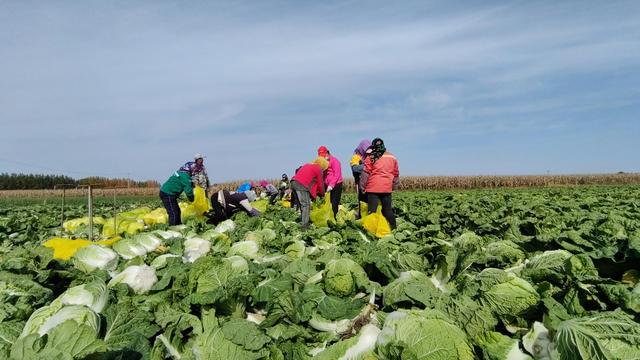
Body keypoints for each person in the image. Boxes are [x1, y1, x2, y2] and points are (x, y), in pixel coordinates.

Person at [359, 138, 399, 229]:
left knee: (372, 211)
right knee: (387, 210)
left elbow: (365, 174)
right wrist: (394, 186)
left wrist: (362, 187)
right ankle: (394, 228)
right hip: (386, 188)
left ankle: (371, 230)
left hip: (373, 188)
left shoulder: (371, 157)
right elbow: (396, 173)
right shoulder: (392, 157)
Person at [291, 157, 328, 229]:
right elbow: (320, 184)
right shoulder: (318, 169)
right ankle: (304, 226)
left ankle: (303, 221)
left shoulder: (307, 165)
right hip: (301, 185)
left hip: (293, 182)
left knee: (302, 205)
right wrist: (323, 194)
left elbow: (309, 180)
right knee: (306, 205)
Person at [317, 146, 343, 218]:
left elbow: (337, 174)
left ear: (327, 153)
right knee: (326, 203)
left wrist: (331, 185)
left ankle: (334, 219)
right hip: (327, 185)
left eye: (324, 155)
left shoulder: (335, 161)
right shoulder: (323, 162)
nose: (323, 157)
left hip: (336, 184)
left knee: (334, 203)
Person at [350, 139, 371, 218]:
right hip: (360, 182)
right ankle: (362, 218)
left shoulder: (368, 157)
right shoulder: (356, 157)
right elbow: (355, 168)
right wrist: (368, 166)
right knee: (362, 201)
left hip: (370, 182)